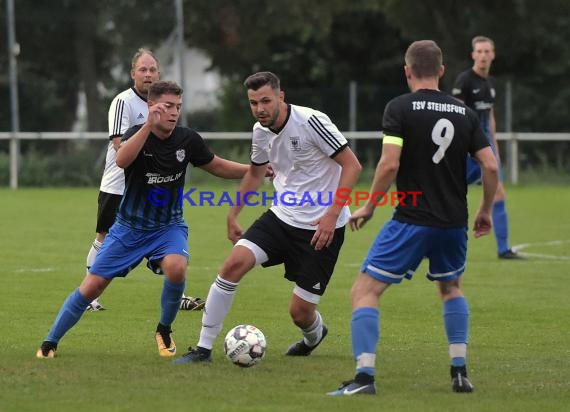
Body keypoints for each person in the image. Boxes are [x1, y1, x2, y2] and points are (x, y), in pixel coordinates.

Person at [327, 40, 499, 396]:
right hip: (453, 223)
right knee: (451, 288)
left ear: (407, 71)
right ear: (441, 71)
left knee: (364, 291)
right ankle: (459, 373)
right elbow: (491, 164)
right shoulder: (464, 113)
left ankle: (364, 379)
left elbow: (390, 163)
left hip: (411, 219)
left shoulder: (399, 108)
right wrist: (484, 210)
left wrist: (370, 206)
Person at [36, 80, 251, 359]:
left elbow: (217, 165)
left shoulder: (187, 139)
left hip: (168, 226)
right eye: (168, 106)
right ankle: (50, 342)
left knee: (176, 268)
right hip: (128, 228)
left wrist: (255, 170)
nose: (174, 112)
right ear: (151, 106)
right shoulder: (137, 134)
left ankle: (164, 329)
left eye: (178, 107)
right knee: (92, 286)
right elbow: (122, 160)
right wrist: (148, 125)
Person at [174, 71, 362, 364]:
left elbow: (352, 165)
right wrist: (233, 213)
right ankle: (203, 348)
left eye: (265, 101)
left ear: (280, 97)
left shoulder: (312, 121)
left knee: (300, 313)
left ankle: (314, 335)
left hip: (321, 227)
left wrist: (332, 214)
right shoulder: (260, 131)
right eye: (253, 103)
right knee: (233, 264)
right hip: (281, 217)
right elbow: (256, 173)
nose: (260, 108)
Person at [86, 48, 205, 312]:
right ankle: (89, 296)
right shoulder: (123, 102)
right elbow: (120, 146)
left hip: (153, 186)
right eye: (143, 69)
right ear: (133, 73)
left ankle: (178, 294)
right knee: (104, 236)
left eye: (152, 69)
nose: (148, 74)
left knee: (167, 234)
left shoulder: (164, 102)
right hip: (119, 185)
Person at [452, 36, 523, 259]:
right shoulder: (464, 80)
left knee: (498, 193)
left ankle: (503, 249)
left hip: (485, 148)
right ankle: (429, 240)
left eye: (487, 51)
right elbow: (457, 115)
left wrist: (495, 147)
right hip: (466, 149)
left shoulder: (490, 84)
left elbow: (490, 117)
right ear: (473, 54)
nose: (483, 55)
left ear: (493, 54)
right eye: (479, 51)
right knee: (448, 193)